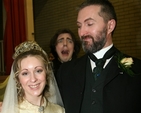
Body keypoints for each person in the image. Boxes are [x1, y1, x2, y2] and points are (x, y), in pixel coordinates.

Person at [57, 0, 141, 113]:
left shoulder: (137, 70)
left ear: (110, 26)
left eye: (89, 24)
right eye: (79, 26)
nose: (82, 32)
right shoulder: (66, 72)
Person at [0, 41, 65, 113]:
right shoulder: (9, 111)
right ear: (18, 79)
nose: (33, 79)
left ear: (47, 73)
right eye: (25, 73)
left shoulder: (59, 111)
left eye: (38, 71)